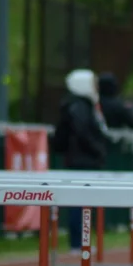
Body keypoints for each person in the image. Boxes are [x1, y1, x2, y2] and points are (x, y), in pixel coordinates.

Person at [52, 69, 108, 255]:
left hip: (81, 160)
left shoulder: (82, 105)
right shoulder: (79, 107)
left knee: (83, 203)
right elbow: (82, 133)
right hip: (81, 162)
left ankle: (80, 241)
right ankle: (78, 242)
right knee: (80, 203)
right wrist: (98, 150)